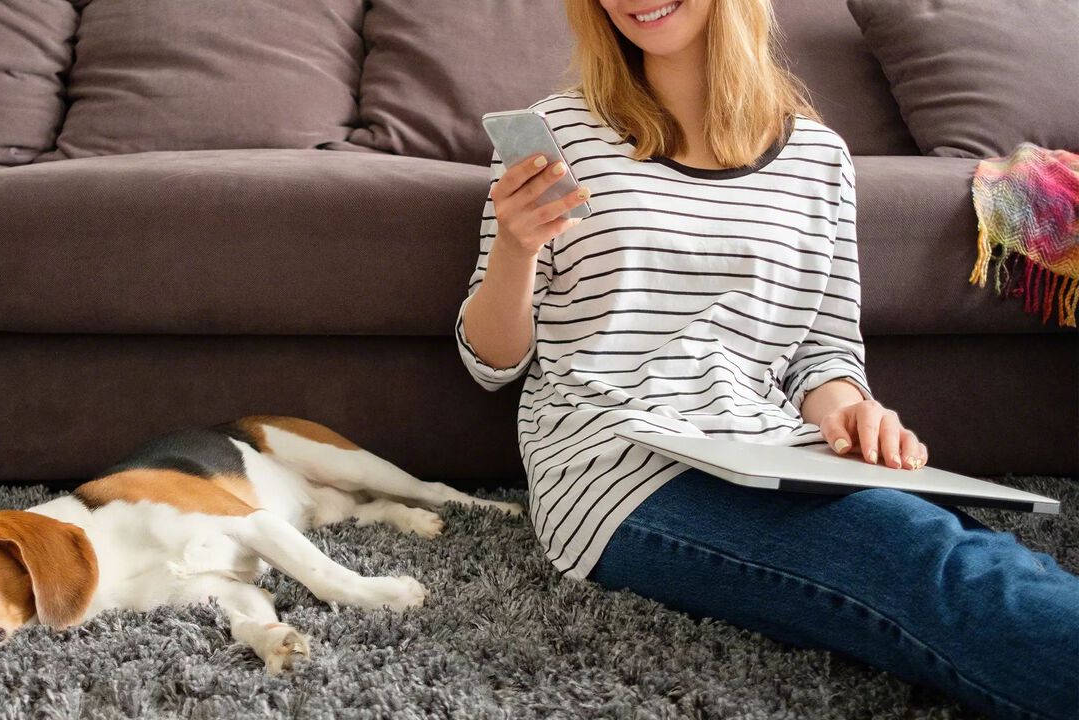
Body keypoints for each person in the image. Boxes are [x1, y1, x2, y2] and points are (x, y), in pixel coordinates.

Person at [455, 1, 1079, 718]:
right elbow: (490, 363)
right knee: (928, 565)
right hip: (610, 460)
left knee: (981, 556)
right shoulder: (557, 136)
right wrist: (516, 247)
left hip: (770, 447)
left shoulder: (819, 158)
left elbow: (822, 351)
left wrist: (855, 417)